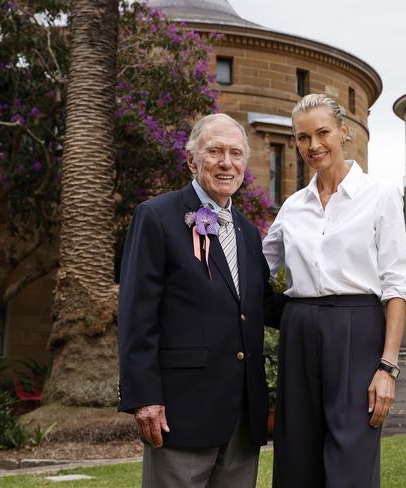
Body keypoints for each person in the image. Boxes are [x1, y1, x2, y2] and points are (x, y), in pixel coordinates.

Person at [262, 94, 406, 488]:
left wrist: (388, 367)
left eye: (322, 133)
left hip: (357, 329)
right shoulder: (292, 207)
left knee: (351, 456)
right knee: (295, 453)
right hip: (299, 328)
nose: (314, 145)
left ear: (344, 132)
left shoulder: (380, 196)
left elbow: (395, 285)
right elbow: (255, 269)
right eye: (303, 137)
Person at [118, 113, 271, 488]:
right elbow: (137, 313)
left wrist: (334, 310)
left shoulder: (249, 234)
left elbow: (258, 305)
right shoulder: (156, 216)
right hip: (179, 413)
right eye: (214, 151)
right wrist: (145, 397)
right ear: (191, 160)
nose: (226, 162)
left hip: (241, 418)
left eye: (235, 153)